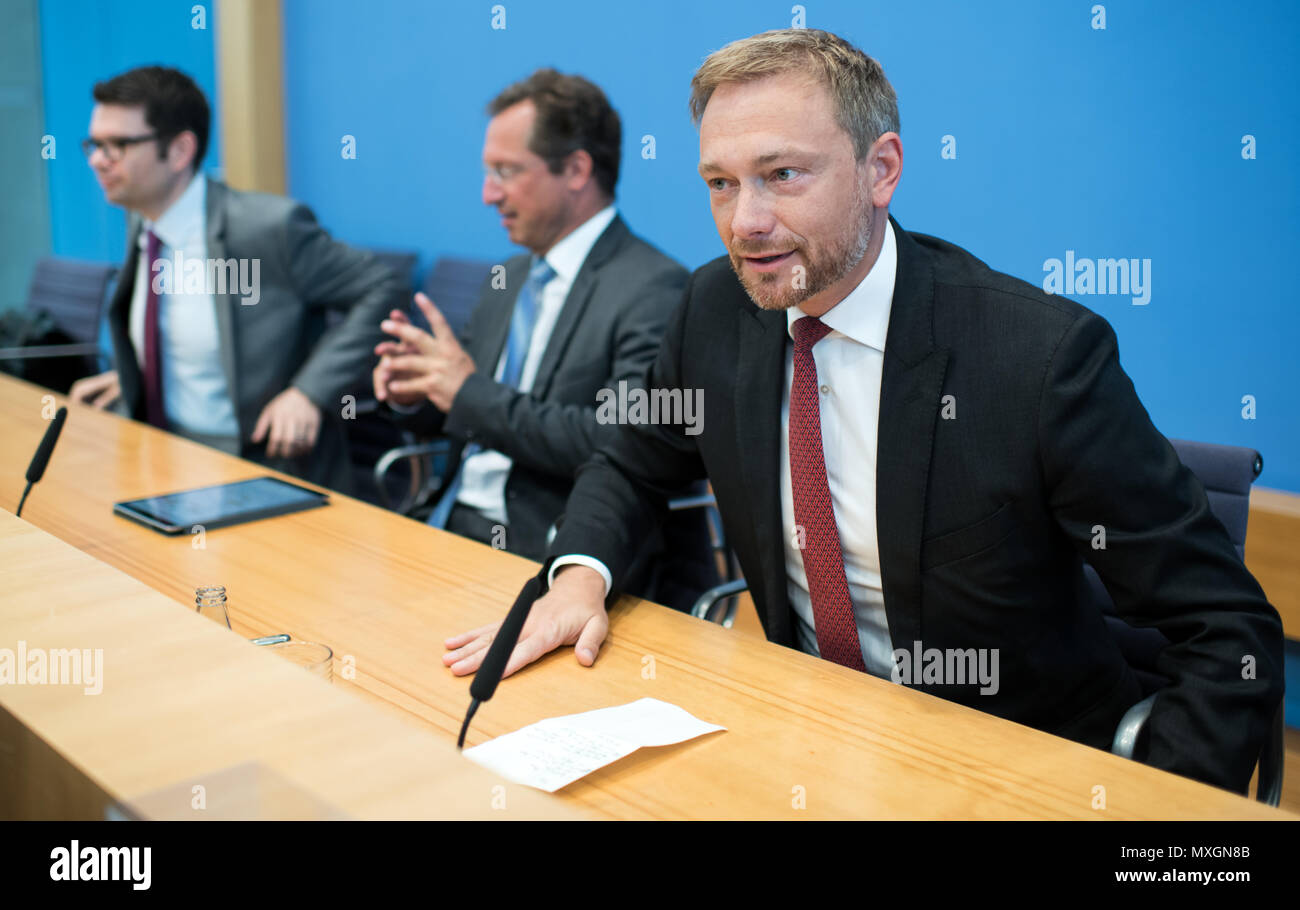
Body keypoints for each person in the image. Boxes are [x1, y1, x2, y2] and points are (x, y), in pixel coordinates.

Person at [442, 29, 1284, 794]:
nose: (748, 223)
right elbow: (630, 458)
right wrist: (580, 578)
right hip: (801, 746)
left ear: (882, 169)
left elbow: (1227, 631)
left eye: (783, 175)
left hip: (1005, 770)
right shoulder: (715, 310)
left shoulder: (1036, 360)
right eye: (720, 184)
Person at [373, 69, 715, 610]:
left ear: (576, 169)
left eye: (506, 171)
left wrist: (464, 392)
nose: (488, 194)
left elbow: (620, 444)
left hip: (547, 550)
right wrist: (414, 391)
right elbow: (465, 411)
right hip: (444, 524)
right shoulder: (509, 276)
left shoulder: (655, 287)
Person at [70, 65, 404, 493]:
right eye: (95, 144)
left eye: (118, 144)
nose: (99, 159)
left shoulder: (268, 228)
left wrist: (308, 391)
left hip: (255, 468)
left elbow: (383, 287)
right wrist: (143, 373)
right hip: (159, 458)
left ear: (179, 151)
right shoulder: (144, 225)